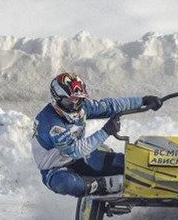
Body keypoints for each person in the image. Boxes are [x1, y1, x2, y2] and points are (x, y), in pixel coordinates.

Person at [32, 72, 161, 197]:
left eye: (80, 100)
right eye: (70, 102)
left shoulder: (82, 107)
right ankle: (98, 186)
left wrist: (142, 101)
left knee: (123, 163)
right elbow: (74, 150)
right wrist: (106, 131)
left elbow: (110, 106)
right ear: (56, 100)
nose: (75, 106)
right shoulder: (51, 124)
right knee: (64, 184)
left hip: (82, 158)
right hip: (55, 169)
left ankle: (159, 179)